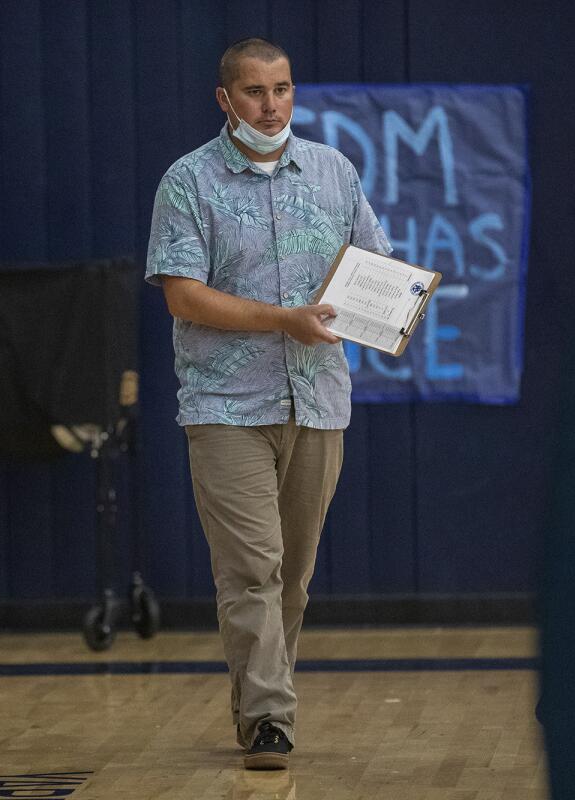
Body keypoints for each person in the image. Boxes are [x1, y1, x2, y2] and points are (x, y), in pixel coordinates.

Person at [145, 38, 391, 770]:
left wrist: (395, 306)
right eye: (255, 91)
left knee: (294, 573)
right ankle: (268, 720)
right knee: (251, 569)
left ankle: (263, 695)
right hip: (226, 406)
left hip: (317, 401)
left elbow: (371, 265)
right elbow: (183, 295)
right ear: (226, 100)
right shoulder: (187, 182)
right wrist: (284, 318)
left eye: (282, 88)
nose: (272, 104)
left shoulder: (333, 171)